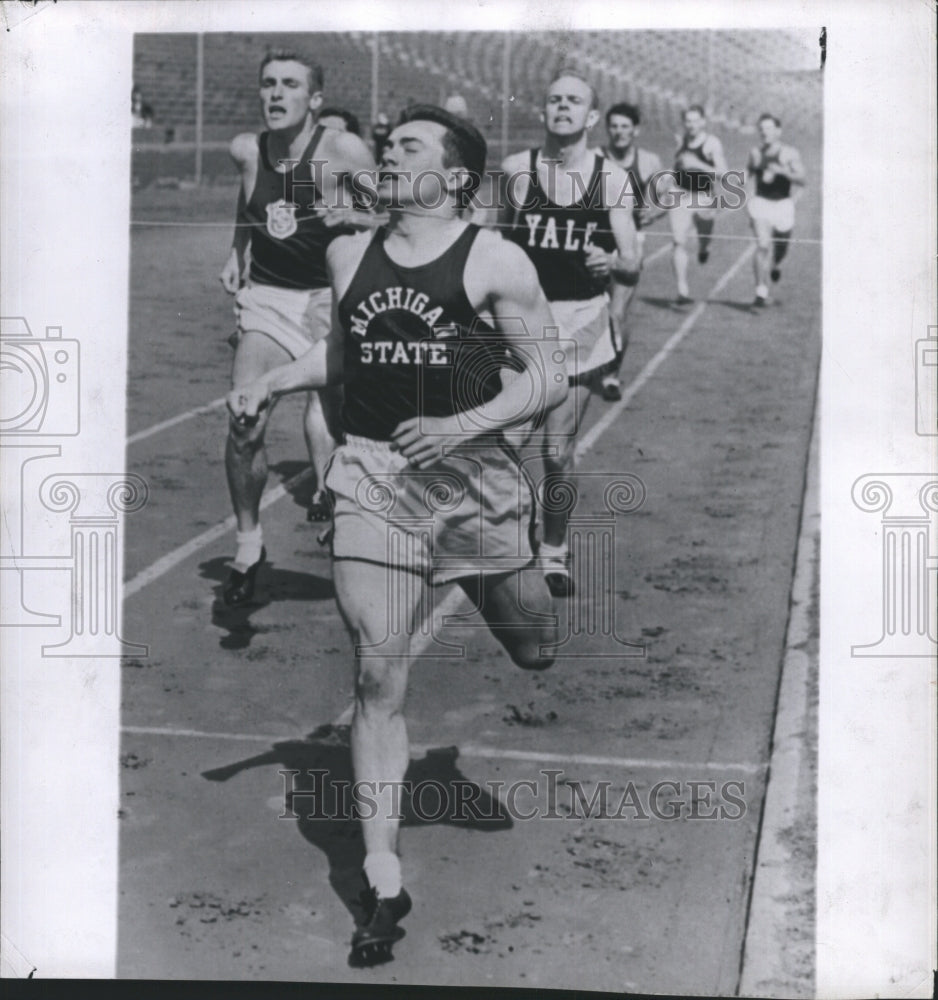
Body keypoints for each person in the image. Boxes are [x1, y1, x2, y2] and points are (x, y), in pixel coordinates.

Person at [227, 105, 566, 965]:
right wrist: (272, 382)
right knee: (378, 672)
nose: (387, 153)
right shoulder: (348, 253)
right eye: (387, 145)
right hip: (375, 479)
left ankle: (497, 597)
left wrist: (462, 428)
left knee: (533, 643)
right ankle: (382, 877)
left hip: (475, 484)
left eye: (407, 147)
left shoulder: (494, 257)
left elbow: (549, 376)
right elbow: (345, 356)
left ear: (453, 178)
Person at [218, 48, 375, 605]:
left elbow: (390, 213)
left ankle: (349, 520)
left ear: (314, 100)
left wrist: (354, 216)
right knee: (243, 415)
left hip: (328, 299)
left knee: (335, 421)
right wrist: (237, 250)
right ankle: (248, 545)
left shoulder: (343, 150)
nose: (275, 94)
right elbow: (249, 202)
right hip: (267, 302)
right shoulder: (246, 150)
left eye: (289, 84)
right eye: (267, 84)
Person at [499, 71, 641, 596]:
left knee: (556, 451)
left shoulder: (612, 180)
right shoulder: (517, 171)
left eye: (574, 101)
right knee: (506, 439)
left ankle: (553, 549)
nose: (562, 107)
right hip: (520, 323)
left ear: (592, 116)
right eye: (554, 98)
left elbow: (631, 262)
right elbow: (495, 239)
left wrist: (612, 260)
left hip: (581, 321)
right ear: (542, 111)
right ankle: (504, 536)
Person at [598, 101, 664, 401]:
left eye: (625, 127)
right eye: (614, 126)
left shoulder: (648, 162)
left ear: (635, 131)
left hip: (630, 241)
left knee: (617, 311)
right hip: (596, 240)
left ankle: (611, 375)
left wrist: (654, 212)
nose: (619, 132)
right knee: (592, 308)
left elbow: (669, 193)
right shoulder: (596, 157)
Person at [668, 105, 727, 306]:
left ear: (703, 122)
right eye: (688, 121)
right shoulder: (680, 141)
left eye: (695, 121)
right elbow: (678, 166)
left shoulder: (712, 143)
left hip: (703, 196)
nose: (691, 125)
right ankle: (682, 290)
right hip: (681, 195)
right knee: (678, 241)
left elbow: (723, 173)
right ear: (684, 123)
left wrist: (697, 164)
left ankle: (704, 246)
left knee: (704, 232)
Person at [745, 113, 806, 307]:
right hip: (761, 204)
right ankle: (760, 293)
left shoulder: (789, 153)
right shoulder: (755, 153)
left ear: (778, 131)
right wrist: (747, 199)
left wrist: (783, 172)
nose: (764, 132)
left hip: (783, 205)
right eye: (761, 129)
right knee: (762, 245)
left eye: (769, 128)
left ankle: (776, 264)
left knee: (781, 247)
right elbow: (746, 177)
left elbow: (803, 180)